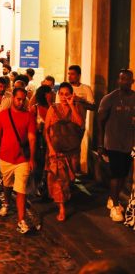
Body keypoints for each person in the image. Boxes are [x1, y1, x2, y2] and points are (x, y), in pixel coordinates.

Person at [0, 87, 36, 234]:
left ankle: (21, 220)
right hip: (6, 156)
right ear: (13, 98)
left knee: (21, 189)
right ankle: (6, 201)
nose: (21, 102)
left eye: (23, 99)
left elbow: (31, 137)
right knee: (7, 184)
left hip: (22, 158)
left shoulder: (29, 116)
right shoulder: (4, 114)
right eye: (18, 99)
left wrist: (31, 157)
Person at [98, 69, 135, 222]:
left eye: (127, 79)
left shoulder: (134, 97)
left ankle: (113, 198)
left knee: (124, 175)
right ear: (118, 81)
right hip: (113, 143)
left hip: (128, 143)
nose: (124, 81)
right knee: (116, 175)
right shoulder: (109, 99)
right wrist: (100, 144)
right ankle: (114, 205)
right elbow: (100, 122)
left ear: (132, 81)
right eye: (122, 79)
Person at [44, 82, 84, 221]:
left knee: (69, 179)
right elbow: (46, 130)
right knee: (59, 181)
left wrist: (72, 105)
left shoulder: (76, 108)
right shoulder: (53, 109)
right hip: (56, 152)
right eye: (61, 94)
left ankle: (66, 198)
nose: (63, 97)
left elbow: (80, 123)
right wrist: (50, 148)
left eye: (67, 94)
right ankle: (62, 208)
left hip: (72, 152)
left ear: (71, 95)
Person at [29, 85, 54, 196]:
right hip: (39, 140)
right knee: (39, 163)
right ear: (44, 94)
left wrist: (50, 104)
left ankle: (47, 187)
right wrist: (37, 126)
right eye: (50, 92)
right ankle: (37, 187)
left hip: (51, 139)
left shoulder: (53, 107)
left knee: (49, 164)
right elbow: (29, 124)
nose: (52, 94)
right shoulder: (35, 108)